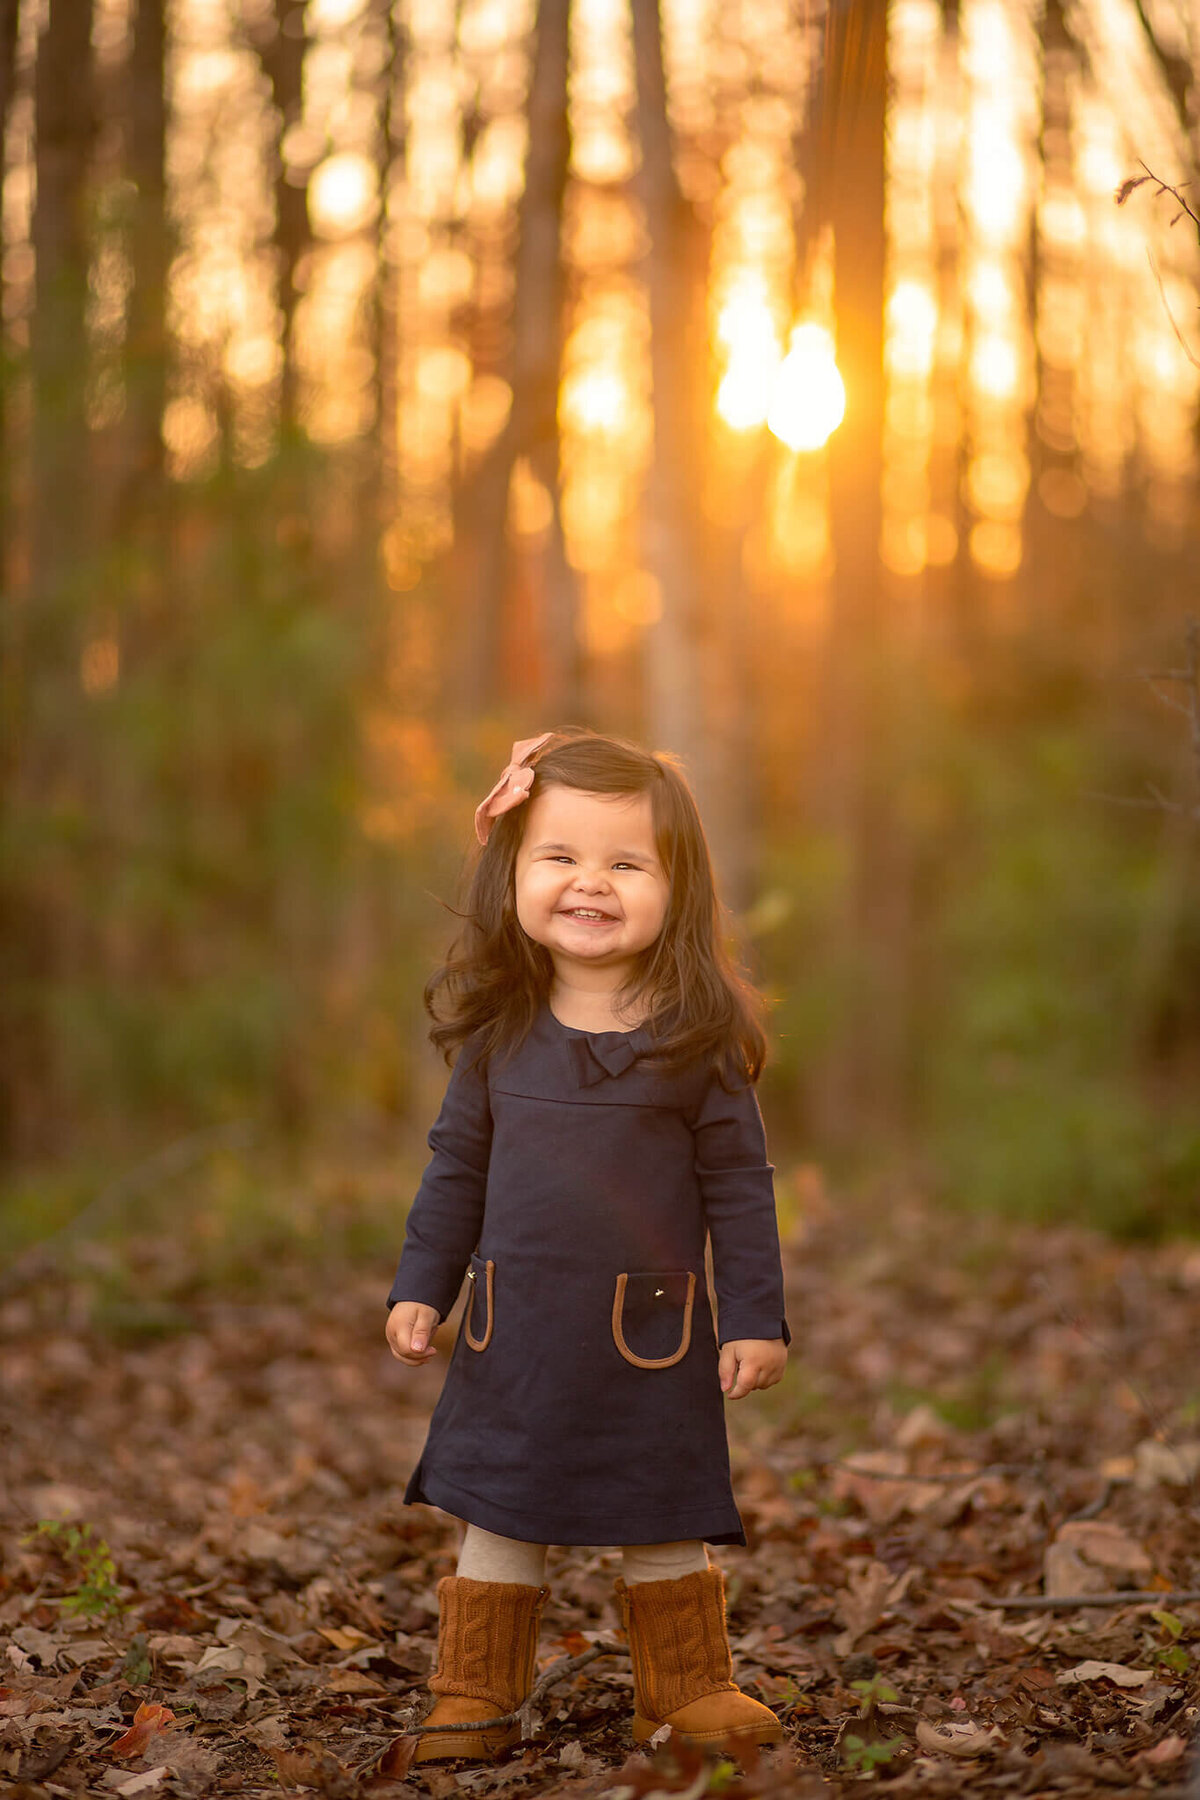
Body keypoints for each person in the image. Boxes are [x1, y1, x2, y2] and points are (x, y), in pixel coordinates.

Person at [385, 728, 790, 1763]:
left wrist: (753, 1317)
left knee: (661, 1510)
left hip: (647, 1334)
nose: (590, 884)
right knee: (499, 1512)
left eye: (625, 862)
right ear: (511, 875)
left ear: (676, 886)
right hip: (515, 1330)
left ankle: (690, 1689)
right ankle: (475, 1693)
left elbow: (739, 1187)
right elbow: (455, 1171)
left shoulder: (697, 1042)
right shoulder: (501, 1032)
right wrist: (421, 1287)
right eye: (560, 857)